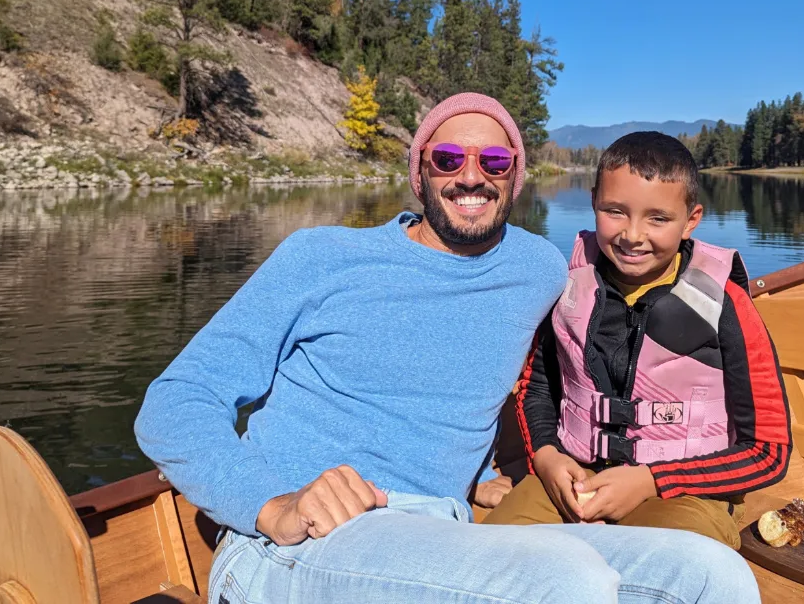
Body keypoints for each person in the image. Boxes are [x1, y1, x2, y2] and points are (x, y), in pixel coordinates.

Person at [135, 95, 760, 604]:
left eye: (493, 159)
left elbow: (581, 332)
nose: (470, 175)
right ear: (419, 172)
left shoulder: (539, 268)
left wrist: (491, 469)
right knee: (568, 581)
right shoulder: (320, 257)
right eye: (446, 158)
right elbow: (175, 402)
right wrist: (271, 506)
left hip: (443, 535)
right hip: (301, 544)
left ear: (515, 178)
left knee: (711, 575)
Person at [486, 131, 792, 550]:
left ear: (692, 219)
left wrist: (650, 480)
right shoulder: (570, 284)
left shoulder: (726, 304)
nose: (632, 235)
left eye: (658, 218)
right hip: (574, 478)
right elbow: (537, 388)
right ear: (593, 200)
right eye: (615, 211)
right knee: (489, 556)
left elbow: (768, 451)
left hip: (684, 491)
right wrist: (546, 456)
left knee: (680, 561)